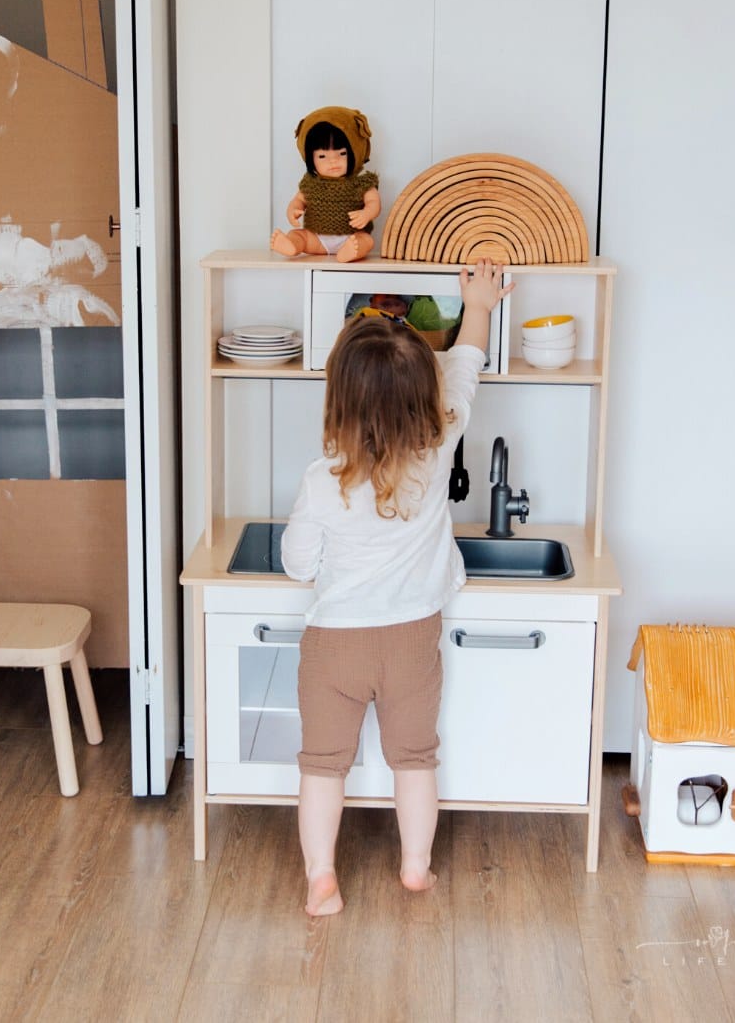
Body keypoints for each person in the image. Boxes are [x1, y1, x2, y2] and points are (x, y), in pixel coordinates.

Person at [280, 259, 513, 916]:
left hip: (334, 646)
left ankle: (321, 879)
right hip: (412, 638)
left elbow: (299, 565)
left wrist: (315, 555)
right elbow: (464, 369)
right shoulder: (436, 449)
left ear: (339, 398)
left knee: (323, 764)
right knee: (415, 759)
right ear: (423, 397)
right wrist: (480, 304)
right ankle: (415, 868)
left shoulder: (322, 478)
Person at [270, 106, 381, 262]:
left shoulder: (362, 181)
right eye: (322, 156)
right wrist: (293, 210)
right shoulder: (310, 183)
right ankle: (292, 245)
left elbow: (374, 202)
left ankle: (349, 252)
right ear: (310, 159)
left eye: (342, 153)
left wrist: (367, 213)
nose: (333, 160)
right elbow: (299, 200)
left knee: (367, 240)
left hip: (351, 236)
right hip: (317, 239)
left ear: (355, 151)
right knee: (299, 235)